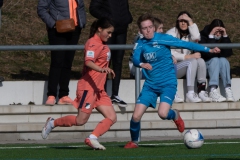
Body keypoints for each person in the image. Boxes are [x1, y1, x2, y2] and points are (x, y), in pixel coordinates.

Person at [124, 13, 220, 149]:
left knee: (162, 114)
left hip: (167, 83)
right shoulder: (140, 43)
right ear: (140, 30)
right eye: (144, 28)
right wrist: (141, 64)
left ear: (153, 26)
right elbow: (135, 59)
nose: (148, 30)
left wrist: (208, 50)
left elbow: (185, 43)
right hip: (150, 85)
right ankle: (134, 141)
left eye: (150, 27)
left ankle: (175, 114)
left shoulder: (163, 39)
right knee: (135, 116)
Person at [41, 17, 117, 150]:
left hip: (98, 90)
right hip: (87, 88)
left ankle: (92, 138)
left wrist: (105, 69)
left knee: (112, 117)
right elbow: (88, 61)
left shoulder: (102, 44)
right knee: (80, 120)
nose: (110, 36)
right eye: (108, 32)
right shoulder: (93, 43)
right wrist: (101, 69)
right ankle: (52, 123)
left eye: (111, 33)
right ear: (100, 29)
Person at [37, 0, 86, 106]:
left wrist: (81, 22)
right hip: (58, 29)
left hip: (75, 28)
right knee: (57, 61)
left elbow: (80, 7)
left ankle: (64, 94)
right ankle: (51, 94)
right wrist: (53, 24)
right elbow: (41, 8)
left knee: (68, 62)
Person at [89, 0, 133, 108]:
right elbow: (93, 8)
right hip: (108, 29)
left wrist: (127, 17)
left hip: (122, 30)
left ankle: (115, 94)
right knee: (105, 61)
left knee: (118, 61)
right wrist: (109, 18)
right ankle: (101, 93)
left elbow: (124, 6)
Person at [166, 11, 212, 103]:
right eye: (181, 21)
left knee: (200, 61)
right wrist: (187, 56)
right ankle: (190, 93)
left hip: (185, 66)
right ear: (177, 22)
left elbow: (197, 38)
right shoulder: (171, 33)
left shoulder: (190, 34)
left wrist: (190, 21)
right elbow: (169, 52)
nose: (183, 23)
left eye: (186, 21)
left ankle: (201, 91)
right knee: (192, 61)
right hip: (172, 68)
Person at [199, 19, 234, 102]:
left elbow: (228, 53)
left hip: (218, 67)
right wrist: (211, 36)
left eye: (220, 32)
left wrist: (225, 36)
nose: (218, 34)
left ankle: (227, 88)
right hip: (206, 67)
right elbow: (206, 54)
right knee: (214, 59)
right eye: (216, 32)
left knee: (223, 60)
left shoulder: (223, 37)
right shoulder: (203, 35)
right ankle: (213, 89)